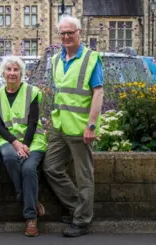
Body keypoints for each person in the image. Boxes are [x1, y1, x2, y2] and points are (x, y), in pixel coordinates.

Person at [42, 15, 104, 238]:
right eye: (63, 33)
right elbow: (60, 91)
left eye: (71, 32)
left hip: (80, 128)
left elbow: (98, 92)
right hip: (60, 126)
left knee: (84, 176)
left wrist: (91, 125)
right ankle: (80, 208)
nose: (66, 36)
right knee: (51, 167)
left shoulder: (90, 58)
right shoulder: (57, 60)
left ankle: (82, 220)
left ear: (79, 33)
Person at [0, 56, 47, 237]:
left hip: (32, 140)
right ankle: (28, 199)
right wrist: (15, 144)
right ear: (3, 73)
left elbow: (33, 122)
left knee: (29, 168)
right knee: (9, 156)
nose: (12, 73)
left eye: (16, 70)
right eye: (8, 69)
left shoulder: (32, 92)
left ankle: (30, 217)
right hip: (8, 140)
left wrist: (24, 145)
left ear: (22, 74)